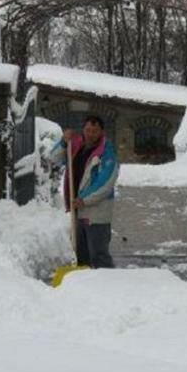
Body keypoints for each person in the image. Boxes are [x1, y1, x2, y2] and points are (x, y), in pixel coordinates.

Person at [50, 115, 120, 269]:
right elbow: (53, 158)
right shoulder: (76, 146)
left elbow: (105, 182)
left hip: (96, 212)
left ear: (101, 131)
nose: (91, 134)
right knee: (81, 253)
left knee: (98, 254)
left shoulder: (106, 153)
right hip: (78, 209)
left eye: (95, 131)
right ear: (83, 129)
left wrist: (83, 199)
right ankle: (85, 287)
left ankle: (108, 285)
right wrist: (63, 142)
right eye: (88, 130)